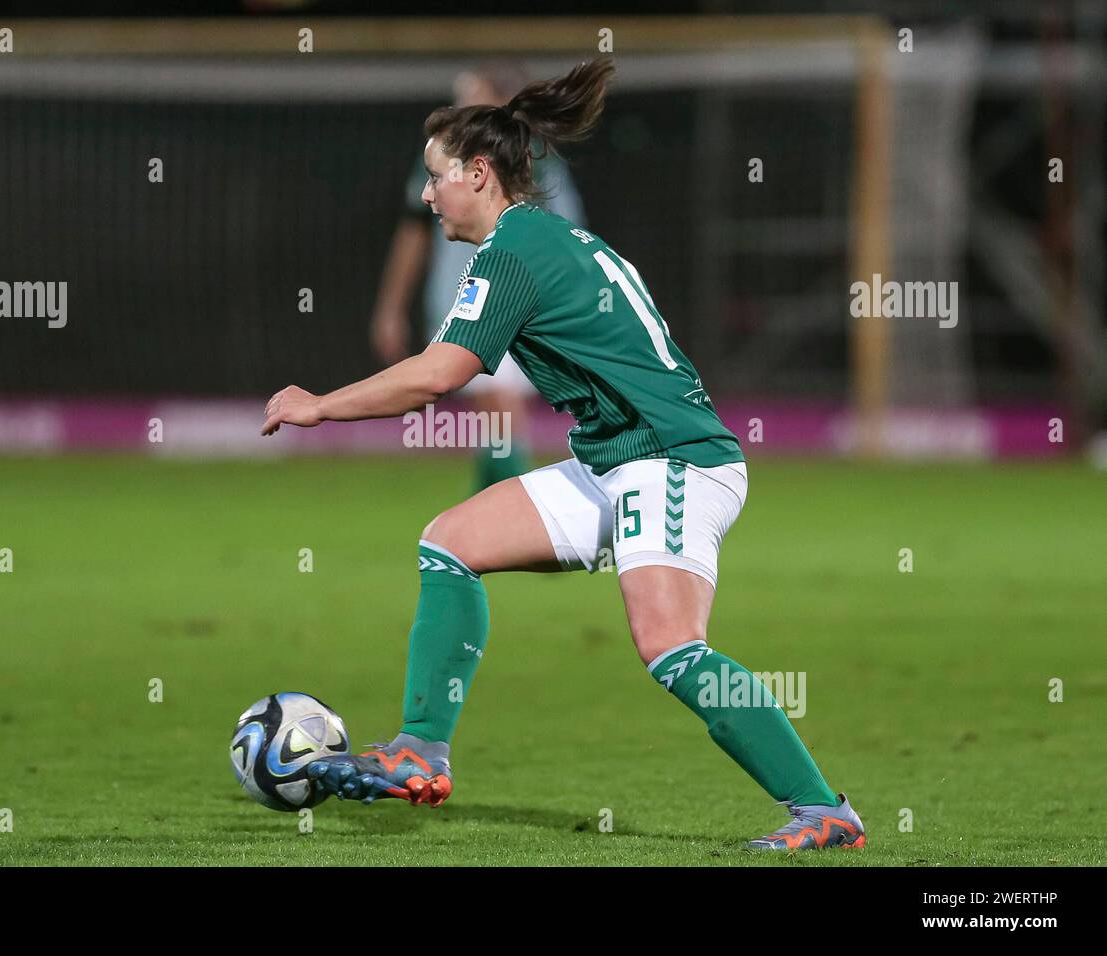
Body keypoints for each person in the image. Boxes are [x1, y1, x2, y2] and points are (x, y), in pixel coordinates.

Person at [262, 59, 864, 850]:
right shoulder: (543, 241)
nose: (427, 193)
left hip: (674, 460)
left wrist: (320, 406)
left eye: (438, 177)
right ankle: (419, 747)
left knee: (672, 648)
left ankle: (825, 812)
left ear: (479, 174)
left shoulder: (515, 251)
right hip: (617, 461)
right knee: (450, 542)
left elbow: (436, 377)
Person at [370, 61, 586, 490]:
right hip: (459, 294)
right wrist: (391, 307)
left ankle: (520, 512)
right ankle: (488, 510)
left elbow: (573, 234)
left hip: (515, 297)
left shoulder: (534, 160)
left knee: (499, 407)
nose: (460, 105)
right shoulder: (443, 160)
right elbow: (414, 229)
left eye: (471, 96)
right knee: (492, 412)